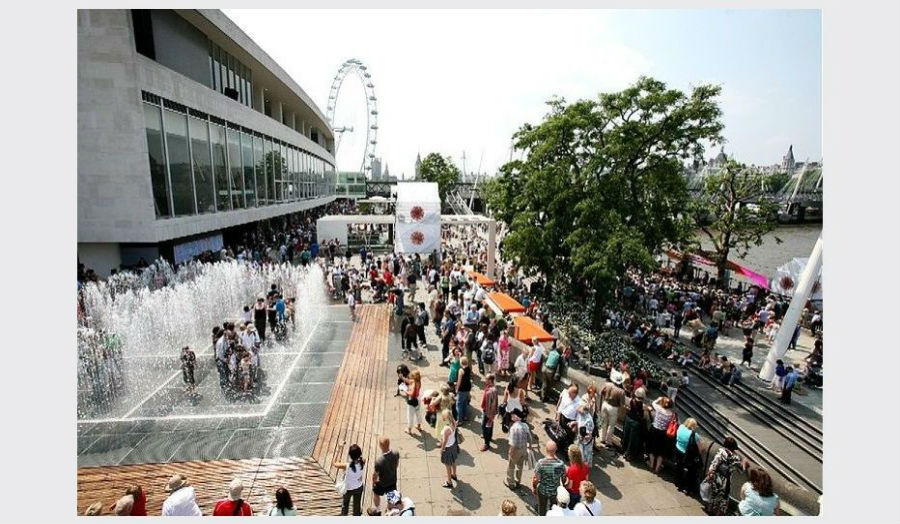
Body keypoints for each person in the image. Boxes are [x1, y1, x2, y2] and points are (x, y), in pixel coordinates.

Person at [705, 436, 749, 516]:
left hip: (716, 477)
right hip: (726, 481)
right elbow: (741, 471)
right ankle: (718, 514)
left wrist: (710, 473)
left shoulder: (721, 452)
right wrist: (744, 462)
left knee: (713, 493)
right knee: (723, 499)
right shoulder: (735, 458)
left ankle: (709, 510)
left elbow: (714, 463)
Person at [368, 437, 400, 516]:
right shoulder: (396, 453)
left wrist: (374, 482)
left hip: (382, 483)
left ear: (380, 446)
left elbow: (375, 475)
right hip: (392, 480)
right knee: (391, 497)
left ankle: (378, 510)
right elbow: (397, 465)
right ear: (389, 443)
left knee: (376, 494)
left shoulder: (379, 461)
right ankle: (389, 511)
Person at [533, 441, 567, 516]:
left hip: (543, 491)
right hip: (555, 491)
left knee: (542, 506)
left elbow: (536, 479)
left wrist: (535, 487)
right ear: (556, 450)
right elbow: (564, 477)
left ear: (546, 450)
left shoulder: (541, 463)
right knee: (553, 507)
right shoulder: (560, 464)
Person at [334, 444, 366, 516]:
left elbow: (335, 463)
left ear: (350, 456)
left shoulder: (347, 466)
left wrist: (339, 448)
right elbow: (361, 458)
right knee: (357, 507)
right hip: (359, 487)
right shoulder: (363, 461)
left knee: (345, 505)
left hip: (348, 489)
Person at [674, 417, 702, 494]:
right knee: (689, 472)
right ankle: (687, 488)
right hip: (687, 455)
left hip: (678, 450)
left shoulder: (681, 427)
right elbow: (700, 449)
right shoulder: (694, 435)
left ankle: (678, 483)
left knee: (679, 467)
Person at [598, 371, 625, 448]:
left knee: (604, 422)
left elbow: (600, 392)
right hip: (613, 407)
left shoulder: (607, 384)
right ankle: (608, 441)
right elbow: (622, 404)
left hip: (605, 404)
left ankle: (602, 438)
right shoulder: (621, 391)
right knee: (611, 425)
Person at [648, 396, 675, 473]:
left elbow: (653, 403)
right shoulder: (671, 414)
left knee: (652, 447)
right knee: (661, 451)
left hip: (655, 430)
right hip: (663, 433)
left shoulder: (659, 409)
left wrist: (658, 399)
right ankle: (657, 468)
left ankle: (651, 464)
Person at [506, 409, 531, 490]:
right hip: (523, 449)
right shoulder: (525, 425)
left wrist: (510, 452)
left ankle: (511, 483)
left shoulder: (514, 428)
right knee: (520, 466)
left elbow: (513, 444)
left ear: (516, 417)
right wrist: (528, 447)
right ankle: (518, 481)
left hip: (515, 450)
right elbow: (529, 438)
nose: (511, 416)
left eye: (512, 415)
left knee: (511, 466)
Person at [439, 409, 461, 489]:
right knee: (454, 461)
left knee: (448, 466)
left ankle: (449, 482)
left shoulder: (446, 429)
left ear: (445, 417)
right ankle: (454, 475)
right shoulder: (454, 422)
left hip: (447, 449)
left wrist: (442, 449)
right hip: (453, 446)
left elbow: (444, 441)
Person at [401, 370, 425, 435]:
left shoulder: (414, 384)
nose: (410, 376)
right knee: (418, 413)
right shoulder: (418, 381)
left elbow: (411, 394)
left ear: (414, 377)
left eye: (412, 375)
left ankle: (409, 429)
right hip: (418, 399)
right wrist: (402, 378)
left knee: (410, 415)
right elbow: (409, 381)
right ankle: (419, 426)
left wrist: (405, 390)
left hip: (412, 401)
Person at [480, 373, 499, 451]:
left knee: (485, 427)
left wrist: (490, 415)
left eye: (486, 379)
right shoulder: (490, 387)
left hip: (488, 412)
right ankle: (489, 436)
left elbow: (493, 404)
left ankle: (486, 444)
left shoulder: (491, 391)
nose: (485, 380)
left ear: (490, 380)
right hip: (487, 411)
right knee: (489, 425)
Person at [456, 356, 473, 422]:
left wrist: (457, 389)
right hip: (467, 387)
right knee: (465, 402)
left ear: (461, 362)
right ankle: (465, 416)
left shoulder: (461, 370)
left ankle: (460, 419)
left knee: (459, 404)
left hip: (462, 389)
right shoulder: (468, 368)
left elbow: (459, 381)